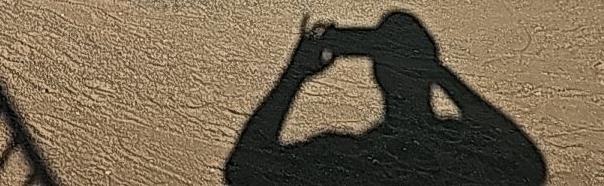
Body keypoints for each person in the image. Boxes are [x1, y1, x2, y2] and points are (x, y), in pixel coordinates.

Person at [226, 12, 545, 185]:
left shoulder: (351, 158)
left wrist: (294, 75)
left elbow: (242, 170)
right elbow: (529, 166)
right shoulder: (459, 151)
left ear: (377, 74)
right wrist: (438, 72)